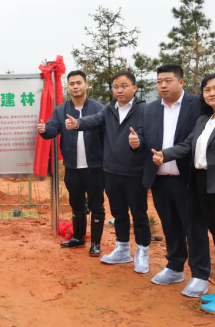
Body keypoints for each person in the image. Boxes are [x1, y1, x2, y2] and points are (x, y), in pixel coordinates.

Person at [151, 72, 215, 313]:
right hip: (202, 186)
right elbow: (187, 145)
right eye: (207, 90)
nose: (212, 93)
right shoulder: (204, 120)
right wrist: (165, 154)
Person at [65, 70, 151, 273]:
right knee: (119, 212)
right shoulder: (109, 109)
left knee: (139, 214)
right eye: (115, 87)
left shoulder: (145, 110)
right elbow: (93, 120)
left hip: (134, 171)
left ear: (134, 88)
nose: (119, 90)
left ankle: (142, 251)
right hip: (111, 171)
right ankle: (122, 249)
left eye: (124, 86)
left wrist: (139, 141)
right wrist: (78, 123)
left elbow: (150, 134)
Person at [139, 64, 209, 297]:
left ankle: (200, 275)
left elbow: (198, 140)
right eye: (159, 81)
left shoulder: (198, 105)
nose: (163, 85)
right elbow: (143, 135)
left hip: (187, 179)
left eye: (168, 80)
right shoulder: (149, 110)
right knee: (170, 226)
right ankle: (175, 267)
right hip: (159, 179)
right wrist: (136, 141)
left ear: (181, 82)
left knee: (194, 228)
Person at [38, 70, 106, 255]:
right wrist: (44, 129)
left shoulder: (99, 108)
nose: (75, 87)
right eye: (72, 84)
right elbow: (52, 129)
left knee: (96, 204)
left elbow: (107, 134)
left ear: (86, 85)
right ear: (68, 87)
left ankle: (96, 244)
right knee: (76, 203)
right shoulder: (61, 110)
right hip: (72, 167)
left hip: (95, 167)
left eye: (79, 83)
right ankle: (78, 237)